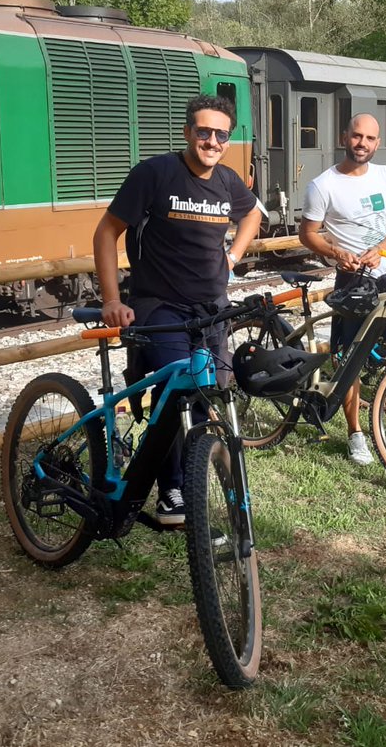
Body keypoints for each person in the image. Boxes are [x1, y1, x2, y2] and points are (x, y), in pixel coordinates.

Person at [93, 94, 262, 524]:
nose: (211, 140)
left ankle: (189, 478)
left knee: (210, 393)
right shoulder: (155, 173)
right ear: (188, 132)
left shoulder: (226, 181)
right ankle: (170, 488)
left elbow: (252, 217)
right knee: (179, 392)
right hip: (159, 306)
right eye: (203, 131)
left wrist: (233, 257)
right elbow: (106, 232)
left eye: (220, 134)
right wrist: (112, 300)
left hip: (211, 309)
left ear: (228, 138)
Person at [299, 113, 386, 465]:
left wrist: (382, 248)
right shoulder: (322, 185)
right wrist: (337, 253)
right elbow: (307, 234)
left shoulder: (385, 175)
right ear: (345, 136)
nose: (362, 144)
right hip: (352, 281)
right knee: (351, 361)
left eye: (370, 138)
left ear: (377, 143)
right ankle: (356, 434)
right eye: (357, 136)